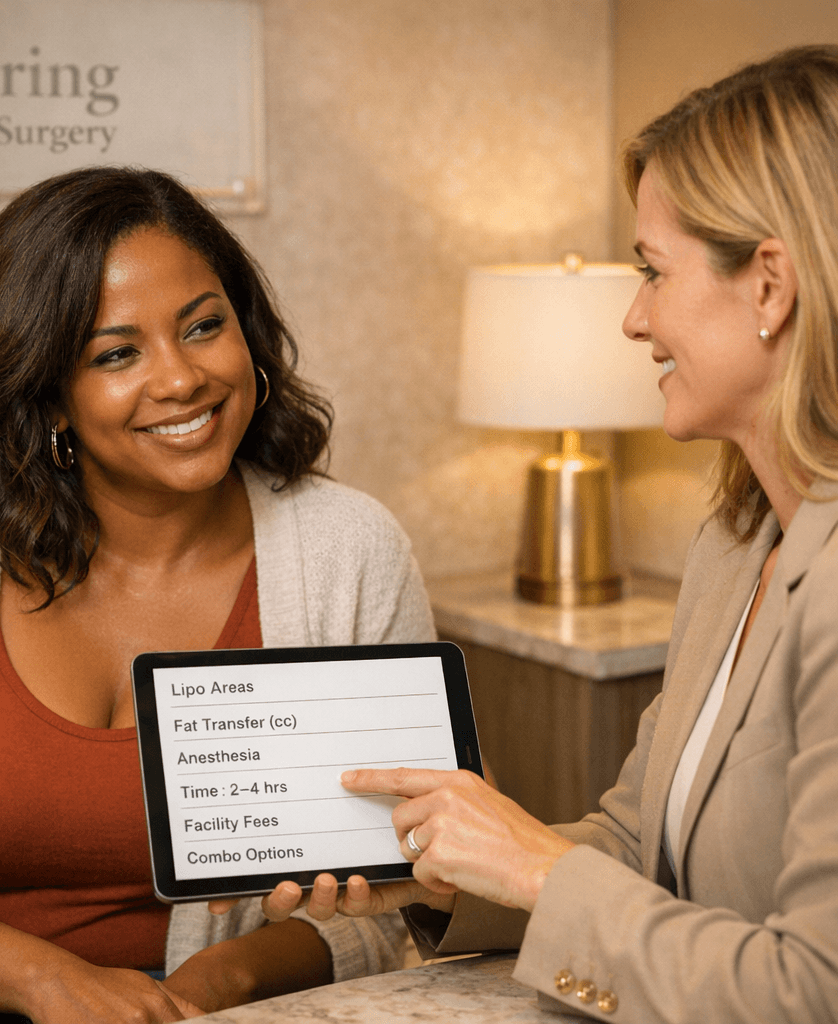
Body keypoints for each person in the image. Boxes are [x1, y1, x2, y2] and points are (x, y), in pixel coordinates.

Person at [257, 45, 838, 1022]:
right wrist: (456, 871)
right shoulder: (738, 540)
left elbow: (813, 989)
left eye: (652, 272)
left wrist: (534, 865)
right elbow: (634, 837)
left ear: (770, 285)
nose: (631, 317)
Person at [0, 166, 435, 1022]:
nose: (181, 380)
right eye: (116, 353)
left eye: (204, 327)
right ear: (50, 392)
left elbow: (390, 900)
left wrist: (214, 986)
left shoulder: (351, 549)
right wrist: (50, 984)